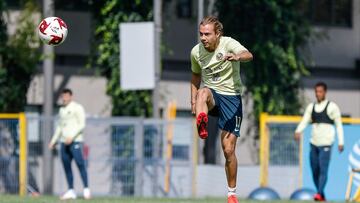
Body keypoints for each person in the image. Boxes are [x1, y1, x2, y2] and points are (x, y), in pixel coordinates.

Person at [190, 16, 253, 203]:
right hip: (212, 97)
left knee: (228, 150)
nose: (203, 38)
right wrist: (193, 102)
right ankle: (202, 124)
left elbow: (249, 55)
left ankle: (231, 193)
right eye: (201, 34)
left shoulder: (228, 43)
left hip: (231, 99)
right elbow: (195, 76)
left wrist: (237, 56)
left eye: (207, 34)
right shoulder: (196, 52)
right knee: (202, 93)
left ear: (218, 34)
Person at [294, 82, 344, 201]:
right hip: (314, 143)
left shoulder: (332, 107)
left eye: (320, 91)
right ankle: (321, 195)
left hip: (326, 143)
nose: (318, 94)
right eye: (316, 92)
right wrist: (298, 131)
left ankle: (319, 193)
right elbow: (305, 120)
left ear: (325, 92)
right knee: (315, 169)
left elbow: (339, 125)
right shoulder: (311, 107)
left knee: (323, 169)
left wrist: (341, 142)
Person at [48, 88, 90, 200]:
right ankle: (71, 190)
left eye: (66, 96)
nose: (64, 98)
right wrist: (53, 141)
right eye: (63, 96)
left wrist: (72, 136)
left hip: (75, 141)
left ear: (71, 96)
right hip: (63, 142)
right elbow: (60, 127)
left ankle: (86, 189)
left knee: (80, 164)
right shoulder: (62, 110)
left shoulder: (77, 108)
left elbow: (82, 124)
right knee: (67, 167)